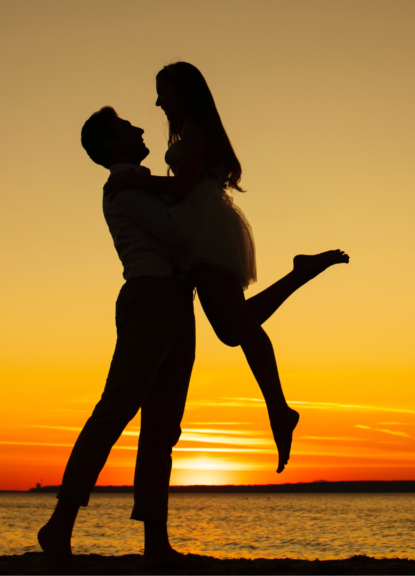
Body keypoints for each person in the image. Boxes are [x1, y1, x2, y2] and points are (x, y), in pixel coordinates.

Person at [38, 106, 345, 573]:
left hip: (174, 303)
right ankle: (60, 524)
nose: (140, 128)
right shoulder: (125, 188)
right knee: (114, 412)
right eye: (126, 127)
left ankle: (155, 543)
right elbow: (178, 233)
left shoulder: (140, 184)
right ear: (110, 146)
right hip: (151, 300)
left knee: (163, 428)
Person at [104, 62, 348, 475]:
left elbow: (184, 187)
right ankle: (299, 274)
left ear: (185, 92)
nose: (159, 101)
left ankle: (279, 409)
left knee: (243, 330)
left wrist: (135, 182)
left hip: (206, 231)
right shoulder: (191, 130)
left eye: (164, 92)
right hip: (201, 228)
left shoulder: (197, 127)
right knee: (231, 330)